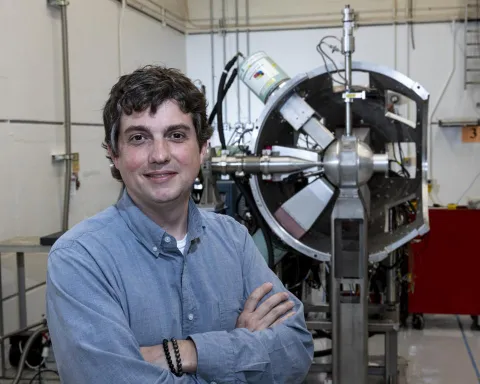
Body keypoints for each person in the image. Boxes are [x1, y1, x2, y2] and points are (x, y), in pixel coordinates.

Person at [45, 65, 314, 383]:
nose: (159, 155)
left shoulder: (233, 240)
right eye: (139, 138)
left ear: (202, 150)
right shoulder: (80, 259)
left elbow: (295, 350)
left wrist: (187, 352)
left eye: (176, 135)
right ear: (114, 154)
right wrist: (241, 350)